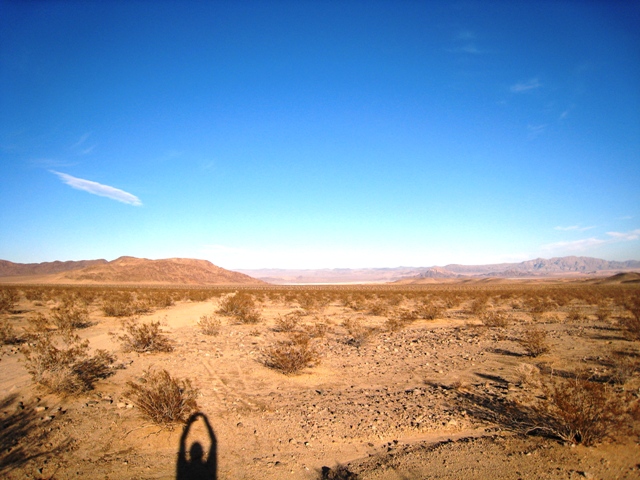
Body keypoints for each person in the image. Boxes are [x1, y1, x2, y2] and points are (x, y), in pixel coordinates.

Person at [176, 412, 217, 480]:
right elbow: (214, 442)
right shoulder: (209, 469)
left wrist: (189, 423)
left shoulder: (183, 469)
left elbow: (182, 441)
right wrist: (205, 420)